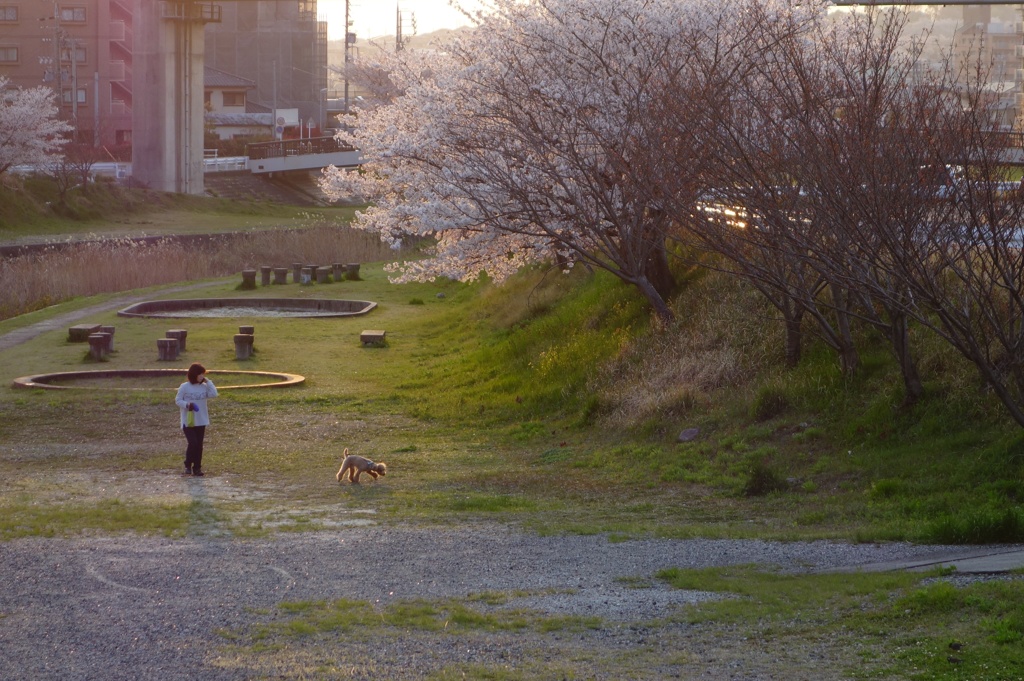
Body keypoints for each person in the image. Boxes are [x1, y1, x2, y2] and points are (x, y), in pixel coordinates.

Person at [175, 362, 218, 476]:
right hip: (188, 421)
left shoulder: (204, 387)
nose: (202, 376)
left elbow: (214, 394)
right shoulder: (184, 386)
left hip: (201, 420)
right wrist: (188, 405)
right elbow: (178, 400)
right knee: (193, 443)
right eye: (200, 374)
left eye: (203, 374)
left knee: (199, 445)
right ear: (194, 374)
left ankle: (197, 467)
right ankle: (188, 465)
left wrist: (208, 382)